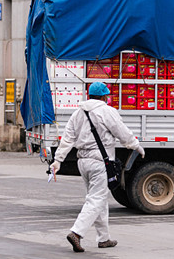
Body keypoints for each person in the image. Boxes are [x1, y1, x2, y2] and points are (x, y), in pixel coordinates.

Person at [49, 81, 145, 253]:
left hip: (82, 162)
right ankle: (76, 233)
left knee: (98, 198)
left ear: (89, 95)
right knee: (96, 199)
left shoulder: (78, 113)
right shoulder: (106, 111)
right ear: (104, 97)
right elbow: (121, 132)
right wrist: (135, 145)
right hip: (100, 162)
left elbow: (68, 138)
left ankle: (103, 238)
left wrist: (58, 160)